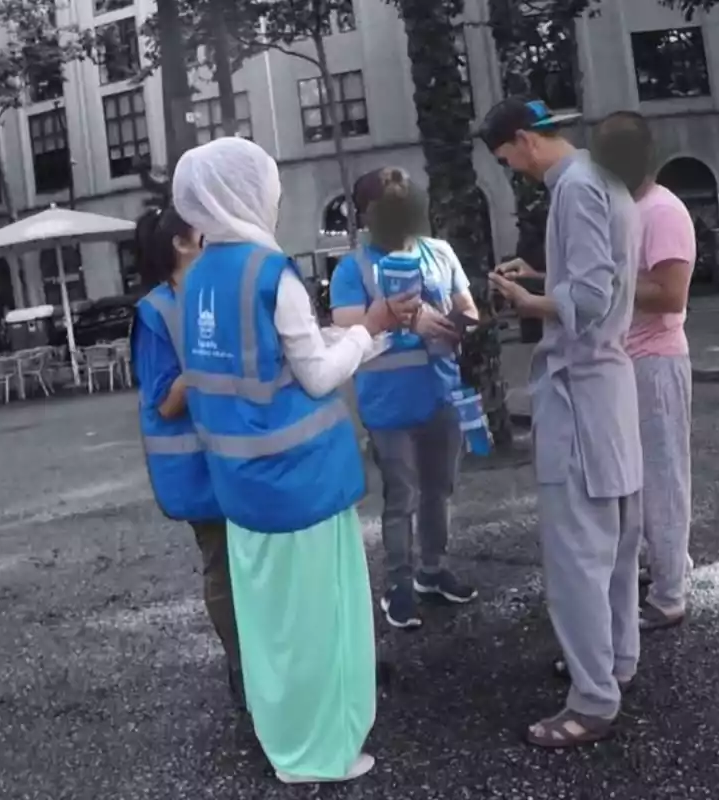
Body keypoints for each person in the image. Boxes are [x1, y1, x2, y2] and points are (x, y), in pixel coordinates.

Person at [171, 137, 418, 784]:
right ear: (247, 192)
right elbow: (315, 375)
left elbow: (258, 363)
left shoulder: (198, 277)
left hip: (240, 483)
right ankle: (323, 752)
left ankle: (284, 741)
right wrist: (370, 330)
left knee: (271, 627)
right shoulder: (271, 270)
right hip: (301, 480)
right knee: (321, 620)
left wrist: (348, 334)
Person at [482, 98, 643, 748]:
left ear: (523, 140)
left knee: (577, 553)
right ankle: (616, 662)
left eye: (506, 160)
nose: (512, 171)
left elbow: (585, 300)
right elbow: (601, 279)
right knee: (619, 541)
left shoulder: (571, 189)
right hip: (610, 383)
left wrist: (526, 300)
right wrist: (545, 275)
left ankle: (592, 699)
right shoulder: (603, 178)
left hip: (575, 389)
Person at [330, 167, 479, 630]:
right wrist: (409, 322)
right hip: (387, 402)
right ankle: (398, 585)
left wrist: (457, 324)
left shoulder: (439, 253)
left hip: (442, 392)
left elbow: (468, 309)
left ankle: (432, 572)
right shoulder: (353, 268)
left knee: (440, 489)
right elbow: (348, 322)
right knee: (403, 495)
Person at [128, 205, 244, 707]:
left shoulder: (213, 295)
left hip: (240, 453)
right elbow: (165, 401)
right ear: (182, 242)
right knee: (221, 563)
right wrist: (207, 362)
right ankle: (242, 667)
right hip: (199, 470)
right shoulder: (155, 313)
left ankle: (267, 658)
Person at [593, 111, 696, 631]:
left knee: (662, 479)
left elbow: (670, 292)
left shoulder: (662, 213)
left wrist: (604, 292)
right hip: (629, 363)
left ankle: (670, 594)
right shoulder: (630, 209)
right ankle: (668, 565)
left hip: (656, 362)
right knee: (635, 479)